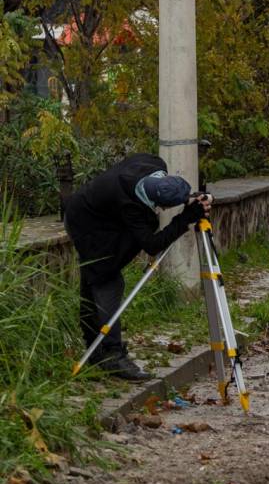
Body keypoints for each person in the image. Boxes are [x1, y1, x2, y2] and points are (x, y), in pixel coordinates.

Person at [63, 153, 212, 382]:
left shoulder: (154, 165)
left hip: (101, 210)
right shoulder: (129, 205)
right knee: (105, 277)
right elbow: (152, 244)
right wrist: (184, 219)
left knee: (95, 279)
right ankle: (112, 355)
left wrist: (189, 199)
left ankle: (95, 348)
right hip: (85, 222)